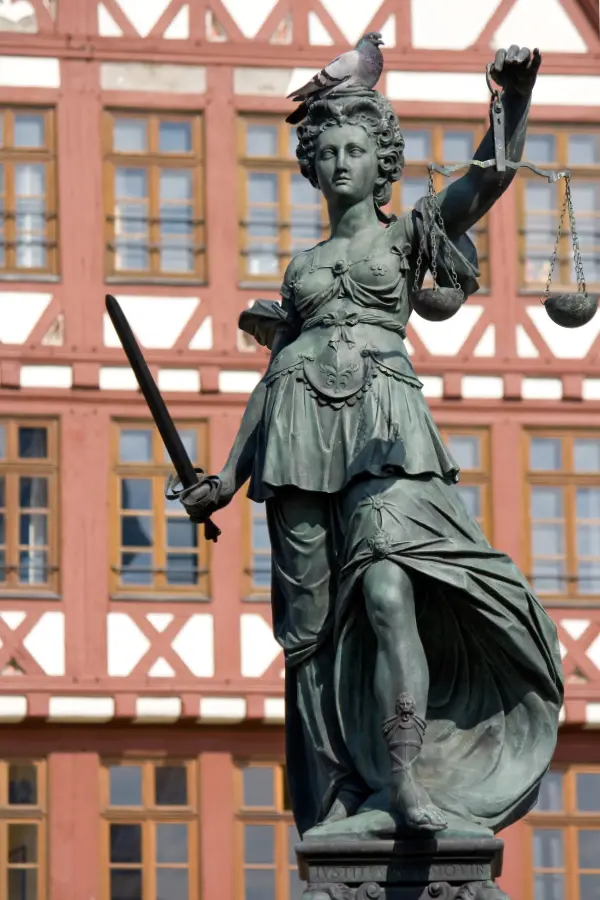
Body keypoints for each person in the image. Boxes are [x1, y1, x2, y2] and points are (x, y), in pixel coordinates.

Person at [179, 46, 563, 840]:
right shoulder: (303, 266)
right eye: (329, 153)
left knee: (391, 592)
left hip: (385, 431)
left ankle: (405, 775)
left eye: (357, 149)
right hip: (295, 438)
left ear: (381, 161)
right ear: (313, 170)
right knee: (311, 637)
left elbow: (487, 178)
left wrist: (514, 97)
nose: (343, 162)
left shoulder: (409, 235)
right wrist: (226, 476)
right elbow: (279, 369)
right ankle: (336, 798)